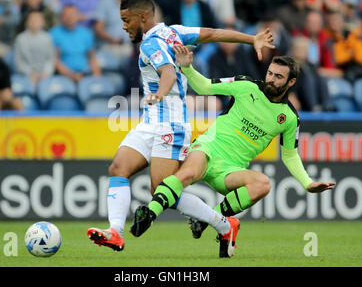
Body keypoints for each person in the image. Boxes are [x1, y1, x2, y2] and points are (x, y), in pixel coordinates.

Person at [86, 0, 275, 254]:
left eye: (126, 20)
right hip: (150, 121)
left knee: (161, 190)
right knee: (118, 168)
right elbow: (212, 34)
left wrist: (160, 93)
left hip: (171, 124)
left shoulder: (150, 44)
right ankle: (115, 232)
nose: (124, 26)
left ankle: (223, 225)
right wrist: (250, 38)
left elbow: (168, 73)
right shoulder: (173, 32)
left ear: (143, 17)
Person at [130, 45, 335, 257]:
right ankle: (149, 214)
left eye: (279, 77)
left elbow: (290, 155)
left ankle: (209, 219)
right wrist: (188, 68)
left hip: (230, 170)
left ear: (291, 82)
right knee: (188, 174)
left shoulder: (290, 118)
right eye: (270, 73)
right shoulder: (245, 85)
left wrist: (308, 183)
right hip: (208, 148)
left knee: (262, 184)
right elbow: (205, 87)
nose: (271, 79)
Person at [50, 5, 102, 81]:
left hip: (85, 74)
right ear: (61, 17)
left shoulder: (86, 33)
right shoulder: (54, 34)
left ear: (78, 16)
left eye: (72, 15)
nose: (70, 18)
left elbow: (92, 57)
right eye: (66, 15)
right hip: (63, 77)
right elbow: (55, 60)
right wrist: (71, 75)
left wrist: (97, 76)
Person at [14, 12, 55, 86]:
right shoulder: (20, 38)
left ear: (42, 23)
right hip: (25, 75)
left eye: (37, 20)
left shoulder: (48, 38)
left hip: (45, 75)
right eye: (32, 20)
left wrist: (45, 73)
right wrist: (30, 73)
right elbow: (18, 62)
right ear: (27, 22)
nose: (34, 22)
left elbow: (50, 60)